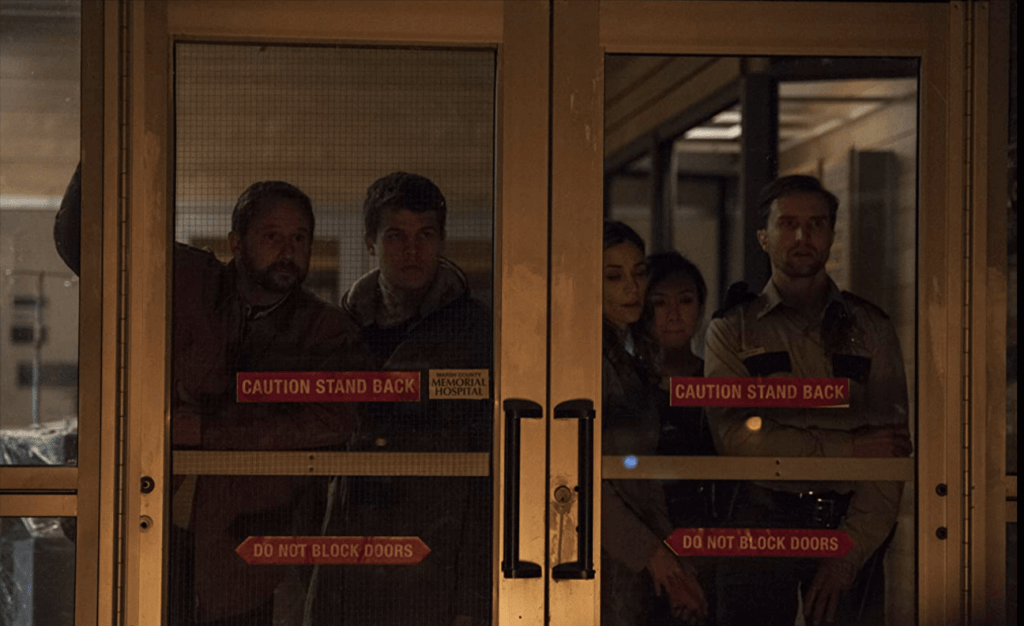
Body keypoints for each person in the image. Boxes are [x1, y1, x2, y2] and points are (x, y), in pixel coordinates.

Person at [54, 168, 367, 625]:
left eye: (299, 238)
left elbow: (332, 420)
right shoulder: (187, 281)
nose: (288, 251)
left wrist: (206, 430)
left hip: (242, 554)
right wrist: (102, 153)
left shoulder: (325, 330)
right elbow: (81, 241)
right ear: (236, 242)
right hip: (147, 527)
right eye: (272, 236)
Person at [704, 175, 912, 626]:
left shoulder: (871, 328)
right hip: (761, 518)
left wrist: (849, 551)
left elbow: (891, 452)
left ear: (832, 234)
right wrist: (849, 448)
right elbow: (736, 438)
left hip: (851, 518)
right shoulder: (734, 329)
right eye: (788, 224)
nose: (803, 236)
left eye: (817, 224)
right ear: (763, 237)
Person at [309, 172, 492, 626]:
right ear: (370, 242)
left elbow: (489, 474)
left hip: (437, 556)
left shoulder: (477, 334)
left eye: (425, 235)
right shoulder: (340, 330)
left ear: (441, 240)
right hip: (351, 549)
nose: (413, 250)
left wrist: (472, 597)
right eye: (396, 236)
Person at [601, 222, 707, 625]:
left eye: (639, 273)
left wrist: (674, 562)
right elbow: (578, 477)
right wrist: (657, 556)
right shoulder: (587, 358)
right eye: (614, 277)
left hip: (638, 554)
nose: (632, 288)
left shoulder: (630, 361)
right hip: (607, 556)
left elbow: (645, 475)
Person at [639, 252, 719, 625]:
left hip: (710, 545)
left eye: (685, 301)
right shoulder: (630, 385)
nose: (673, 315)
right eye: (660, 303)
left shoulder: (719, 384)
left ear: (700, 309)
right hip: (646, 547)